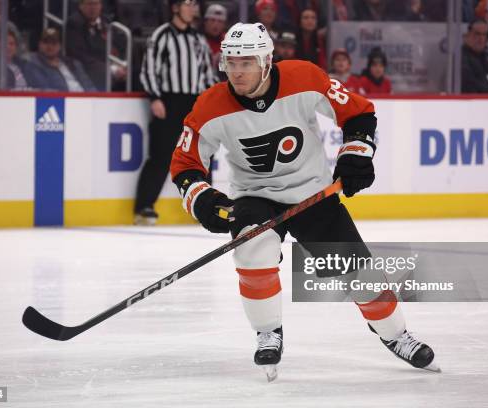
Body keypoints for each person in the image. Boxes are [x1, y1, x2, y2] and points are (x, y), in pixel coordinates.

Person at [169, 22, 437, 380]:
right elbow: (186, 164)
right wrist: (203, 200)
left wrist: (356, 153)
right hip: (255, 196)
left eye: (246, 62)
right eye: (230, 62)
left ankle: (396, 334)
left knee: (360, 272)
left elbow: (358, 113)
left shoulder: (304, 77)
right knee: (253, 248)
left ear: (266, 60)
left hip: (313, 194)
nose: (237, 71)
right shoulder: (210, 105)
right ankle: (268, 332)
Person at [136, 0, 216, 225]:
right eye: (187, 4)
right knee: (161, 156)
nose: (193, 9)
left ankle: (205, 207)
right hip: (169, 101)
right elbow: (148, 69)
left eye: (194, 5)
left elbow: (206, 73)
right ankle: (144, 206)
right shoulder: (161, 35)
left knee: (201, 155)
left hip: (195, 102)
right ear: (175, 8)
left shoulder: (198, 39)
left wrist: (212, 100)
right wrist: (155, 97)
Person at [65, 0, 126, 91]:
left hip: (114, 63)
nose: (93, 7)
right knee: (102, 72)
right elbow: (78, 53)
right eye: (89, 4)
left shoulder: (107, 21)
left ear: (101, 5)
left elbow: (119, 44)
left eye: (96, 4)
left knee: (136, 72)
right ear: (81, 6)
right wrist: (112, 69)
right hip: (93, 66)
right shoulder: (75, 23)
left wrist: (123, 64)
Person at [28, 28, 96, 92]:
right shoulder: (34, 63)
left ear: (59, 46)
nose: (50, 46)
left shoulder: (73, 63)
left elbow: (89, 86)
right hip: (61, 101)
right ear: (39, 44)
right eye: (46, 42)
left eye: (54, 43)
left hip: (85, 100)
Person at [202, 3, 227, 77]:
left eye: (220, 21)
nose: (216, 24)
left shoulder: (230, 41)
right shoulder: (197, 40)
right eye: (212, 20)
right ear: (205, 22)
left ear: (224, 24)